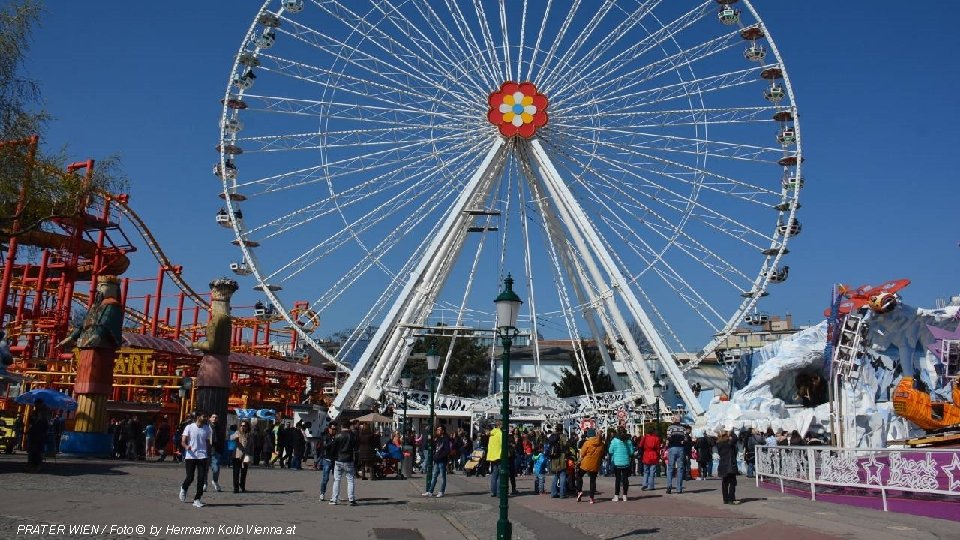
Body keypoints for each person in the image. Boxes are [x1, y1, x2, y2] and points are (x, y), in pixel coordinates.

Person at [179, 411, 213, 508]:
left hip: (202, 456)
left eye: (206, 416)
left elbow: (207, 442)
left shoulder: (207, 429)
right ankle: (184, 488)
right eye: (204, 416)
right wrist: (186, 446)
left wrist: (209, 454)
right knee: (190, 477)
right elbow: (183, 441)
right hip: (191, 456)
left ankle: (197, 499)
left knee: (201, 478)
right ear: (198, 417)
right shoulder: (189, 427)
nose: (206, 418)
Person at [329, 420, 358, 506]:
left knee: (337, 480)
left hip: (338, 459)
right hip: (349, 459)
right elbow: (356, 449)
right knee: (350, 480)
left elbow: (333, 449)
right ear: (349, 427)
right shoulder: (353, 436)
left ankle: (334, 499)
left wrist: (332, 458)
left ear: (342, 426)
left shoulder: (338, 435)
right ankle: (351, 499)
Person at [576, 429, 603, 504]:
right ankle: (591, 498)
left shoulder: (587, 443)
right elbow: (601, 454)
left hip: (586, 463)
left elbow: (582, 453)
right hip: (595, 464)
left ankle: (579, 491)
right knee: (593, 480)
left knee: (579, 475)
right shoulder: (601, 443)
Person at [423, 424, 450, 497]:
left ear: (443, 431)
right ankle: (430, 491)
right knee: (434, 476)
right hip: (437, 460)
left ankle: (441, 491)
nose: (437, 431)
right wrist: (430, 439)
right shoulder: (437, 438)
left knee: (442, 477)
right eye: (437, 429)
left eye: (439, 430)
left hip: (442, 460)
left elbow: (447, 450)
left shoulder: (446, 439)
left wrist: (440, 456)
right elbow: (434, 446)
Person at [608, 426, 634, 501]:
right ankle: (625, 495)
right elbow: (631, 452)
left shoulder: (614, 440)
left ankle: (616, 495)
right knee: (625, 479)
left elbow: (610, 451)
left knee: (618, 479)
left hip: (617, 462)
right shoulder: (628, 440)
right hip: (626, 461)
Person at [716, 429, 740, 504]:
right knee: (732, 482)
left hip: (723, 464)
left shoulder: (719, 442)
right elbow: (735, 438)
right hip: (730, 464)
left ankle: (725, 499)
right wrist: (732, 432)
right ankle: (731, 499)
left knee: (725, 482)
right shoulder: (729, 442)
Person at [547, 424, 569, 499]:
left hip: (554, 457)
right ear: (562, 429)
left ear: (556, 429)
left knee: (555, 475)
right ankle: (562, 494)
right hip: (562, 457)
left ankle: (553, 493)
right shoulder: (563, 436)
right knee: (562, 475)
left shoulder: (552, 436)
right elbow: (565, 445)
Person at [25, 402, 48, 472]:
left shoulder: (43, 416)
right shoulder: (34, 414)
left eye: (37, 405)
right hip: (33, 436)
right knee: (32, 451)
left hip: (39, 436)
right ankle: (31, 465)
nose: (36, 406)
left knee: (37, 451)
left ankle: (37, 466)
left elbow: (45, 426)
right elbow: (30, 422)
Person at [665, 416, 686, 494]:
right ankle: (679, 488)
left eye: (673, 418)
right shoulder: (683, 428)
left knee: (670, 467)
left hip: (672, 448)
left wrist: (672, 441)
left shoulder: (670, 427)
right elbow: (685, 439)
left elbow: (668, 437)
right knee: (680, 468)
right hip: (681, 449)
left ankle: (669, 486)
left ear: (675, 420)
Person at [318, 423, 338, 501]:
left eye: (335, 429)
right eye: (332, 429)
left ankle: (335, 494)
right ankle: (322, 493)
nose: (334, 431)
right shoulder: (325, 437)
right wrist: (332, 442)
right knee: (325, 478)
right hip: (327, 459)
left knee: (336, 478)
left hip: (335, 460)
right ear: (329, 429)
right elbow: (325, 446)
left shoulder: (337, 437)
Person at [230, 421, 251, 493]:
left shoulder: (249, 435)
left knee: (243, 472)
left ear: (247, 427)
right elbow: (231, 437)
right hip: (236, 455)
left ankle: (242, 485)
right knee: (236, 472)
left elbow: (252, 446)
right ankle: (236, 488)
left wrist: (251, 455)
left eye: (244, 425)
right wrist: (235, 437)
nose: (242, 427)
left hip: (246, 456)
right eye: (241, 425)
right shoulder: (237, 432)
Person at [485, 422, 503, 497]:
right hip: (499, 455)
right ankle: (499, 493)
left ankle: (493, 491)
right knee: (500, 475)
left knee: (494, 475)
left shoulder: (491, 433)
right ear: (499, 426)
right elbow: (502, 444)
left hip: (492, 456)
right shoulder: (500, 433)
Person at [208, 413, 224, 492]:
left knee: (216, 468)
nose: (214, 418)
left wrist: (221, 449)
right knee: (205, 469)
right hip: (206, 450)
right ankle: (204, 483)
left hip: (216, 450)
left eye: (216, 417)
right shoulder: (206, 427)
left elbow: (222, 439)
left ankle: (215, 481)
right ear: (210, 418)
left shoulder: (220, 428)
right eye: (213, 417)